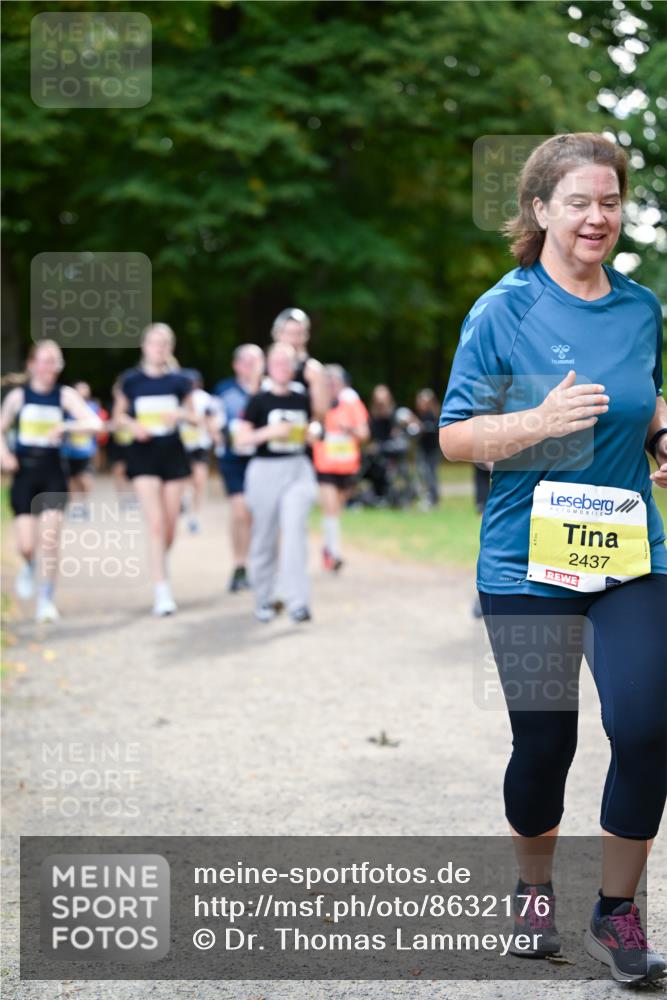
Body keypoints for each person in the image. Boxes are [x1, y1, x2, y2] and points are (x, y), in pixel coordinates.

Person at [439, 133, 667, 984]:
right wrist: (535, 422)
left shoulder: (641, 306)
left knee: (646, 727)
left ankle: (616, 914)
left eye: (608, 201)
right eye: (578, 202)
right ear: (539, 211)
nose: (596, 217)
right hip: (523, 561)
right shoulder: (503, 308)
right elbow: (456, 436)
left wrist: (661, 433)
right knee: (543, 744)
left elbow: (643, 394)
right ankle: (533, 891)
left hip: (627, 548)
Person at [0, 340, 102, 623]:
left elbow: (95, 424)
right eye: (44, 361)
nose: (49, 367)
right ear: (32, 364)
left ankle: (46, 599)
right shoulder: (18, 397)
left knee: (50, 539)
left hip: (54, 473)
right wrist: (4, 454)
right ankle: (29, 565)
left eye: (54, 361)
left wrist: (67, 427)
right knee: (26, 545)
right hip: (24, 474)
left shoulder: (64, 395)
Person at [112, 323, 197, 616]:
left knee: (170, 526)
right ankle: (162, 591)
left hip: (172, 454)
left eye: (164, 344)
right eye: (154, 343)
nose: (158, 348)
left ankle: (160, 556)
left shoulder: (179, 381)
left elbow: (196, 417)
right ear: (144, 346)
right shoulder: (131, 381)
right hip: (143, 455)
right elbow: (117, 417)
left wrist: (181, 414)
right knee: (157, 523)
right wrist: (133, 425)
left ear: (170, 348)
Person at [235, 342, 318, 623]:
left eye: (288, 362)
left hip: (297, 470)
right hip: (264, 472)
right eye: (277, 362)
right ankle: (265, 598)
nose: (283, 367)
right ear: (268, 366)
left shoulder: (302, 397)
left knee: (294, 532)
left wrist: (310, 433)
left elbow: (316, 422)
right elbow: (242, 439)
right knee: (265, 537)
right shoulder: (259, 400)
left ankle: (298, 601)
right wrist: (271, 432)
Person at [212, 344, 265, 592]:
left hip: (263, 459)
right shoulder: (224, 391)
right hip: (234, 459)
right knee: (240, 511)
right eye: (247, 361)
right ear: (236, 365)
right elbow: (212, 419)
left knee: (258, 515)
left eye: (256, 361)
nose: (252, 366)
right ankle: (239, 564)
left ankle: (258, 564)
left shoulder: (269, 389)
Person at [312, 365, 369, 571]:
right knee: (330, 508)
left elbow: (364, 433)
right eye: (327, 381)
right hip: (325, 465)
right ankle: (334, 553)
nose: (331, 385)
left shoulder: (351, 403)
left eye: (335, 381)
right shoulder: (319, 404)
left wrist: (350, 429)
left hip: (347, 467)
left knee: (337, 509)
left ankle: (327, 546)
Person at [270, 307, 329, 417]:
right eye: (288, 333)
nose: (292, 339)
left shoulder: (312, 369)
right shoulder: (265, 365)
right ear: (277, 334)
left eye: (297, 333)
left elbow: (320, 412)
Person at [178, 369, 215, 534]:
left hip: (200, 444)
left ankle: (194, 516)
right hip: (181, 445)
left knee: (199, 481)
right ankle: (184, 500)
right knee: (184, 480)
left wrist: (212, 434)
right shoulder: (176, 396)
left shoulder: (205, 398)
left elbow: (210, 418)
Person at [61, 380, 101, 516]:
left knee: (85, 479)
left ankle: (84, 504)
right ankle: (74, 507)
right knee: (71, 480)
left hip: (86, 451)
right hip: (68, 451)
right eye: (80, 389)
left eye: (85, 389)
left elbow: (97, 427)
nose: (83, 392)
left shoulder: (93, 407)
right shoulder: (66, 407)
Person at [414, 388, 442, 508]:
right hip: (423, 449)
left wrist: (422, 427)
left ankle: (433, 498)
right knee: (423, 473)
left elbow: (434, 429)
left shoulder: (434, 415)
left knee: (430, 473)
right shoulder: (421, 415)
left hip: (433, 449)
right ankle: (427, 496)